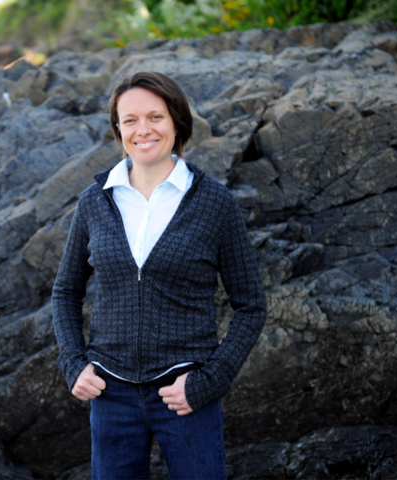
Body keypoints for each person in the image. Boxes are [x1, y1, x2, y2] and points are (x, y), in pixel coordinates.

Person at [52, 71, 267, 480]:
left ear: (177, 122)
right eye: (129, 120)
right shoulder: (95, 201)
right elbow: (65, 291)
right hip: (109, 394)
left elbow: (252, 306)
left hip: (186, 395)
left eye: (156, 117)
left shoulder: (214, 203)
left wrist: (210, 381)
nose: (143, 130)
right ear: (118, 128)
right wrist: (72, 362)